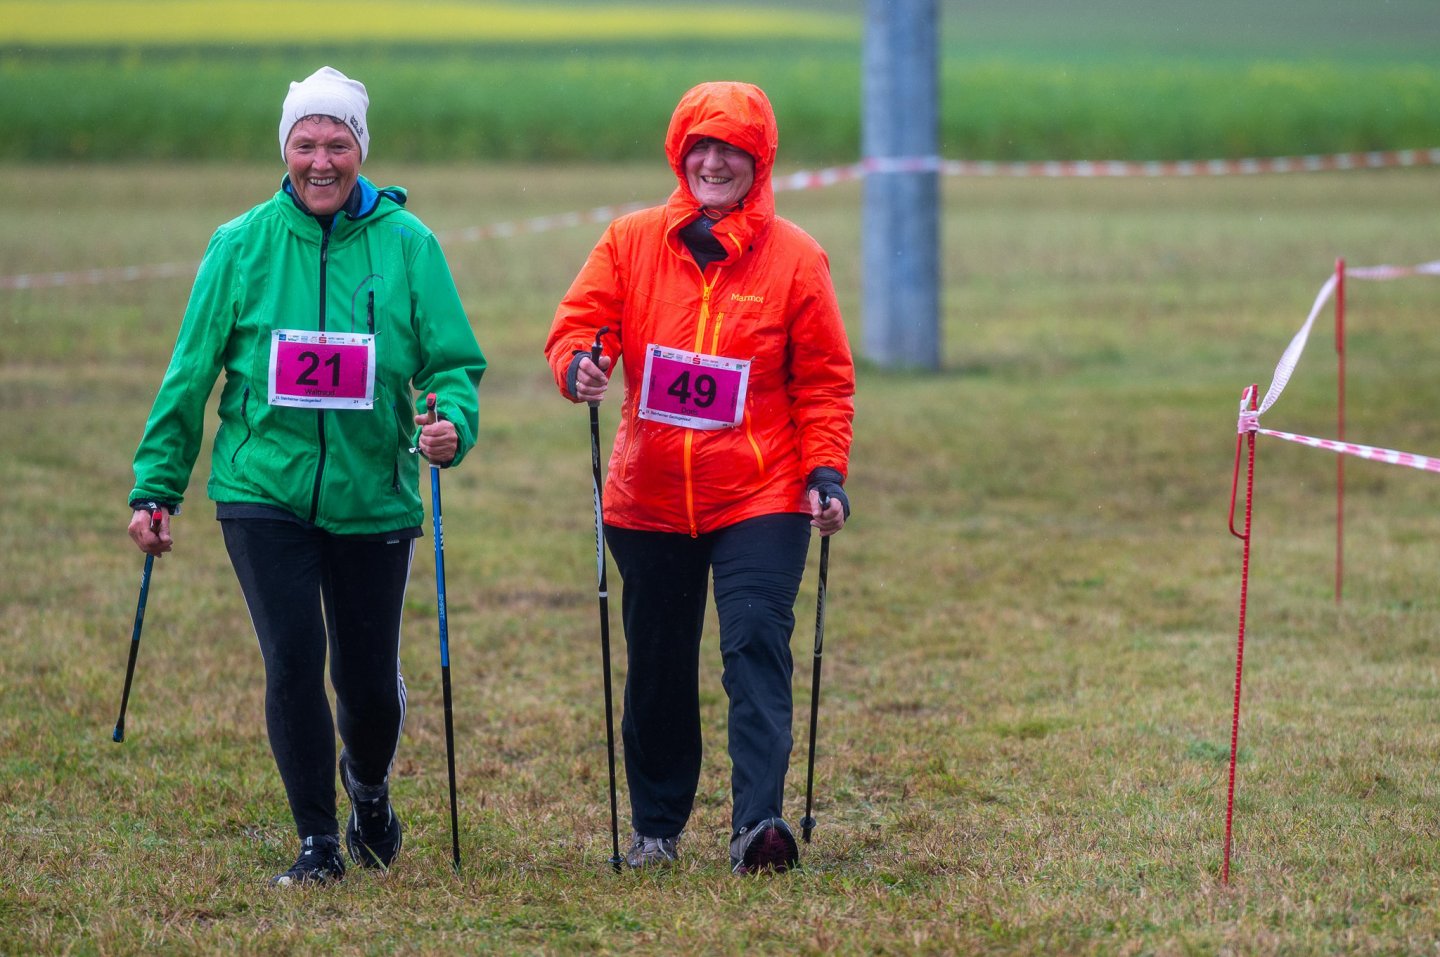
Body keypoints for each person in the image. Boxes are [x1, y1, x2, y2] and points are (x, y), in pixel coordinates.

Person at [126, 66, 486, 886]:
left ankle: (369, 787)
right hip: (262, 488)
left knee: (367, 686)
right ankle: (318, 841)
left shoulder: (410, 245)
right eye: (305, 143)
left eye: (337, 143)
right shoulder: (240, 245)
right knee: (292, 657)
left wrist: (450, 423)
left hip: (372, 494)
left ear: (361, 149)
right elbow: (189, 374)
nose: (321, 160)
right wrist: (156, 486)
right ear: (284, 150)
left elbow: (451, 366)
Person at [544, 81, 855, 874]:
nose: (714, 163)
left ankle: (759, 826)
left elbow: (824, 380)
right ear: (680, 155)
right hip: (648, 496)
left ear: (760, 161)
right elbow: (578, 328)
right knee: (658, 663)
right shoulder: (630, 241)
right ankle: (656, 828)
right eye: (700, 148)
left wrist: (826, 470)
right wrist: (580, 365)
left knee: (755, 642)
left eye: (732, 150)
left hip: (763, 491)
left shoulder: (797, 257)